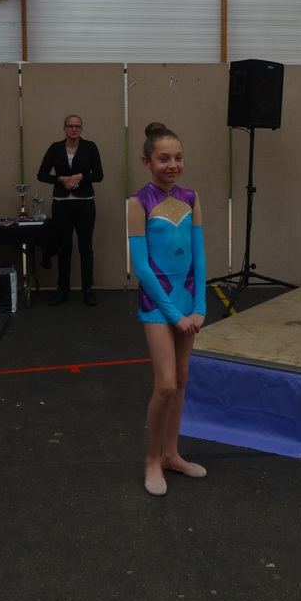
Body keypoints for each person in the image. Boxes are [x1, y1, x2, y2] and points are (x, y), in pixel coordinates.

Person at [128, 122, 207, 496]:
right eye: (163, 159)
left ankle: (172, 454)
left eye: (178, 157)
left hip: (188, 301)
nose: (172, 164)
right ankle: (151, 460)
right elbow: (142, 267)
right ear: (147, 162)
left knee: (183, 377)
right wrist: (174, 315)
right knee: (166, 385)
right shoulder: (138, 203)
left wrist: (200, 307)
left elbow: (200, 257)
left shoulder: (190, 198)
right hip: (158, 305)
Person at [37, 115, 104, 305]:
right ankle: (63, 288)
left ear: (81, 129)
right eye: (70, 126)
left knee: (86, 248)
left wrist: (80, 176)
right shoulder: (55, 148)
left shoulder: (90, 147)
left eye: (77, 126)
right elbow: (41, 174)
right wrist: (60, 179)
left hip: (85, 204)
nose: (74, 129)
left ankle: (87, 289)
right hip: (61, 204)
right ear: (64, 128)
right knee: (64, 248)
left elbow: (99, 175)